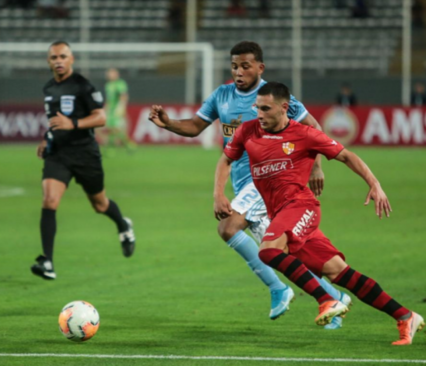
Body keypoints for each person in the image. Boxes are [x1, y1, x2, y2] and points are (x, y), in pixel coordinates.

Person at [148, 41, 349, 329]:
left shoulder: (274, 96)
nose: (238, 72)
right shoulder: (222, 95)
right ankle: (333, 297)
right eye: (234, 66)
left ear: (259, 67)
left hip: (272, 178)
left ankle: (279, 289)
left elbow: (313, 127)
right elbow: (194, 126)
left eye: (245, 66)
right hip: (248, 186)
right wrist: (168, 123)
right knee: (286, 253)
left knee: (228, 227)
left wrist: (316, 166)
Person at [215, 81, 424, 345]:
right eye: (257, 108)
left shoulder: (305, 134)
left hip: (301, 206)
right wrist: (218, 194)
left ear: (284, 108)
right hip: (280, 212)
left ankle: (327, 300)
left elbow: (346, 156)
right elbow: (225, 159)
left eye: (265, 109)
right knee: (340, 273)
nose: (259, 114)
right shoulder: (248, 131)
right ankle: (405, 315)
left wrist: (374, 183)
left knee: (268, 251)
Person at [31, 41, 135, 280]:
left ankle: (123, 224)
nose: (58, 60)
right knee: (49, 199)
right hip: (58, 153)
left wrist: (74, 124)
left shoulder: (83, 86)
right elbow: (54, 122)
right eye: (54, 57)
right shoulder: (48, 88)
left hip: (85, 153)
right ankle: (47, 261)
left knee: (100, 204)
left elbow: (100, 118)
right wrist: (48, 139)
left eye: (63, 56)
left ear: (71, 59)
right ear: (49, 61)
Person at [104, 68, 136, 155]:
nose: (110, 75)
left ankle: (128, 144)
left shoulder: (120, 84)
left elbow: (123, 96)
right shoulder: (108, 85)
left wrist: (120, 107)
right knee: (110, 128)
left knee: (116, 128)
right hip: (110, 110)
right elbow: (108, 99)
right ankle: (112, 147)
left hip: (116, 109)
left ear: (116, 74)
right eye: (109, 73)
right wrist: (105, 109)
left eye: (112, 73)